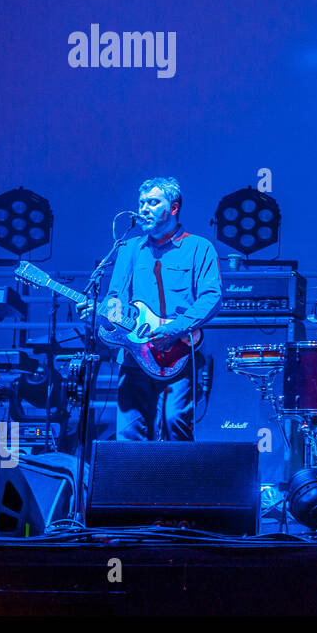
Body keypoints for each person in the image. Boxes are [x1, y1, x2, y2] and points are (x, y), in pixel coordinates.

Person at [83, 177, 222, 441]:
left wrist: (173, 329)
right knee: (128, 433)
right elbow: (116, 296)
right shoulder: (128, 248)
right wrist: (102, 312)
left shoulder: (199, 248)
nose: (144, 208)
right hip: (134, 357)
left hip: (178, 354)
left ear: (173, 208)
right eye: (141, 202)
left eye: (153, 202)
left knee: (174, 422)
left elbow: (212, 297)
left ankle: (177, 482)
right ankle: (131, 483)